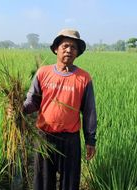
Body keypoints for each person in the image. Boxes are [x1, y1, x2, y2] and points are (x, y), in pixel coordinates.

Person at [23, 29, 97, 190]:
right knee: (43, 183)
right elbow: (33, 102)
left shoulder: (84, 78)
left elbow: (89, 111)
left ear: (77, 53)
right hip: (45, 137)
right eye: (65, 46)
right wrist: (18, 109)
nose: (69, 50)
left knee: (69, 184)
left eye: (73, 47)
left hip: (70, 140)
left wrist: (90, 140)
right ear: (56, 48)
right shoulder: (43, 73)